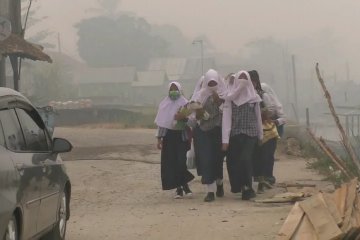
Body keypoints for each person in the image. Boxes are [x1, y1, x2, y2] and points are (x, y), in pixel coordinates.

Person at [222, 71, 263, 200]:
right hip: (235, 133)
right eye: (241, 78)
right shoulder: (230, 99)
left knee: (246, 158)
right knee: (235, 162)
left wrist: (260, 135)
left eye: (246, 78)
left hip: (251, 133)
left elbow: (258, 117)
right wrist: (225, 140)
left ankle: (248, 187)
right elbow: (227, 119)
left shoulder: (254, 98)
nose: (243, 81)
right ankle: (239, 186)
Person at [155, 81, 195, 199]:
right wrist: (159, 139)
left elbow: (193, 122)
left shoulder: (185, 103)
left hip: (181, 137)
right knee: (172, 162)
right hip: (169, 137)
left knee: (181, 161)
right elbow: (161, 123)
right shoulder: (164, 105)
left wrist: (184, 117)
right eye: (171, 89)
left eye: (175, 89)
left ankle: (184, 186)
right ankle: (180, 188)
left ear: (179, 89)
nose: (173, 91)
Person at [192, 69, 225, 202]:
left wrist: (220, 102)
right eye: (209, 83)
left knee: (217, 161)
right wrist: (198, 111)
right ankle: (210, 191)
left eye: (214, 82)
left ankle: (220, 183)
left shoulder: (224, 93)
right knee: (206, 160)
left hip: (218, 131)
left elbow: (227, 112)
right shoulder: (200, 95)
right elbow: (194, 117)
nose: (212, 86)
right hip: (203, 132)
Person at [249, 70, 286, 185]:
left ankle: (268, 177)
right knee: (257, 154)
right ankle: (259, 177)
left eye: (253, 81)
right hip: (254, 129)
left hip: (268, 129)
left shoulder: (263, 94)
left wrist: (264, 115)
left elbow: (274, 113)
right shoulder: (246, 94)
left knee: (267, 154)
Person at [256, 108, 280, 193]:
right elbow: (275, 135)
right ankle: (263, 182)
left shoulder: (260, 125)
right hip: (268, 145)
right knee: (266, 161)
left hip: (264, 145)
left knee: (263, 161)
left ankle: (263, 183)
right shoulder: (270, 125)